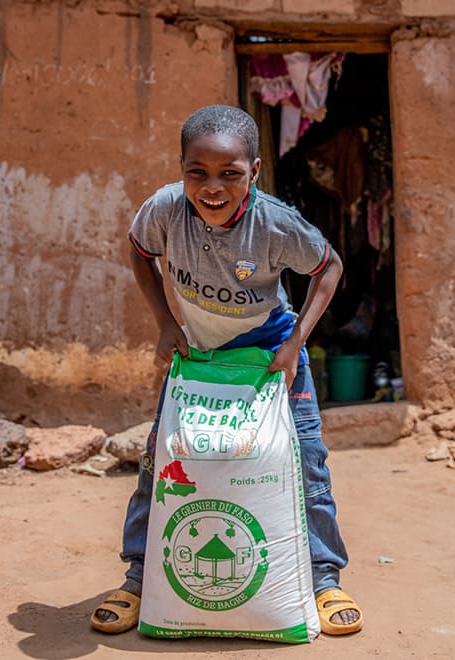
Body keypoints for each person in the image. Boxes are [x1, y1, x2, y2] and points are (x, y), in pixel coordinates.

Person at [89, 105, 363, 636]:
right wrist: (166, 323)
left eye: (230, 174)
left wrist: (295, 343)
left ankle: (324, 580)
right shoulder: (166, 210)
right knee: (164, 458)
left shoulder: (277, 224)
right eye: (198, 173)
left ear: (254, 173)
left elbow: (329, 266)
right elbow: (139, 251)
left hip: (270, 356)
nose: (212, 187)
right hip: (199, 356)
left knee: (305, 462)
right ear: (182, 169)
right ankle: (139, 577)